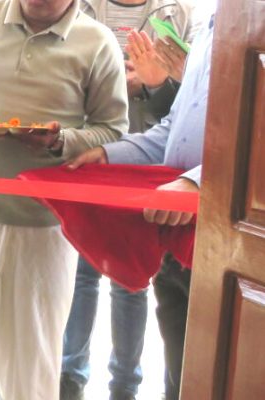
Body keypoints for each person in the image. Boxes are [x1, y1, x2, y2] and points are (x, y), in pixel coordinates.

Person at [0, 0, 129, 397]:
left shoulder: (97, 42)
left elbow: (113, 131)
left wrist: (61, 141)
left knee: (35, 354)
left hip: (48, 226)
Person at [66, 12, 214, 399]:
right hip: (176, 234)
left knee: (214, 372)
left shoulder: (250, 29)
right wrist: (109, 154)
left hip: (223, 241)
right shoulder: (211, 29)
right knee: (181, 372)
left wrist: (197, 181)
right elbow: (173, 130)